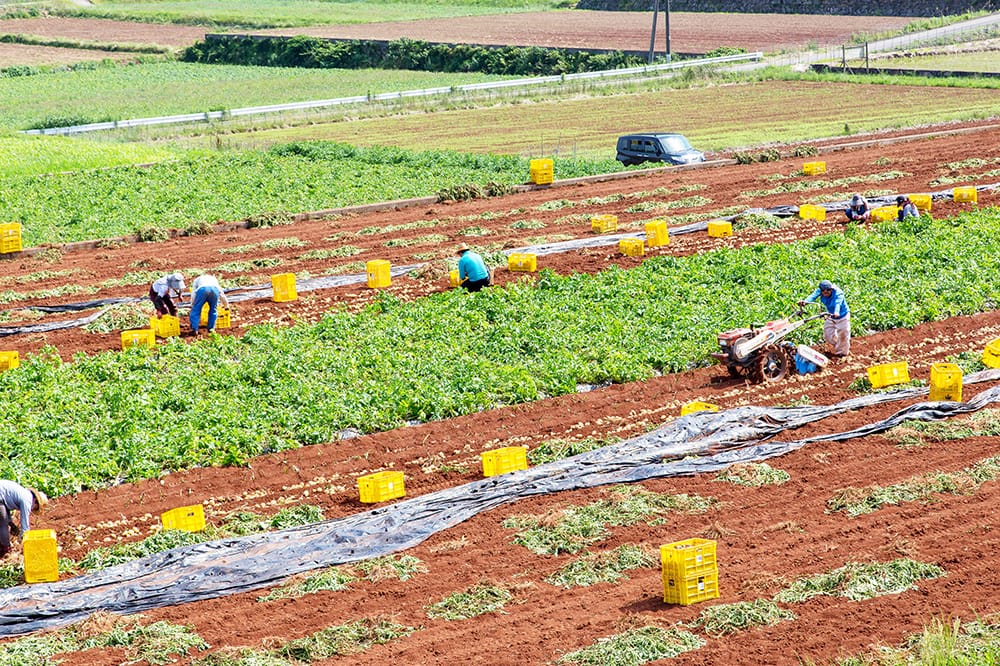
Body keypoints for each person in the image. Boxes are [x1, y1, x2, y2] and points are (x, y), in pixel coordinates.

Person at [799, 279, 851, 358]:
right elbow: (813, 296)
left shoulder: (838, 293)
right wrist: (805, 302)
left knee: (843, 334)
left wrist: (836, 312)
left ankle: (842, 354)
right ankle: (839, 344)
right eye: (823, 291)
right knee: (827, 335)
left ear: (831, 289)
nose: (825, 292)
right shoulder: (820, 291)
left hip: (842, 316)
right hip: (830, 315)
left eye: (828, 291)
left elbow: (838, 303)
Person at [0, 480, 47, 558]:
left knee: (3, 521)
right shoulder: (27, 501)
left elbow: (6, 507)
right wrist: (25, 542)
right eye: (35, 507)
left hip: (1, 496)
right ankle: (6, 550)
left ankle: (2, 545)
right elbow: (25, 526)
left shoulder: (24, 494)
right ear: (35, 501)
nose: (33, 509)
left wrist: (12, 525)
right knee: (3, 524)